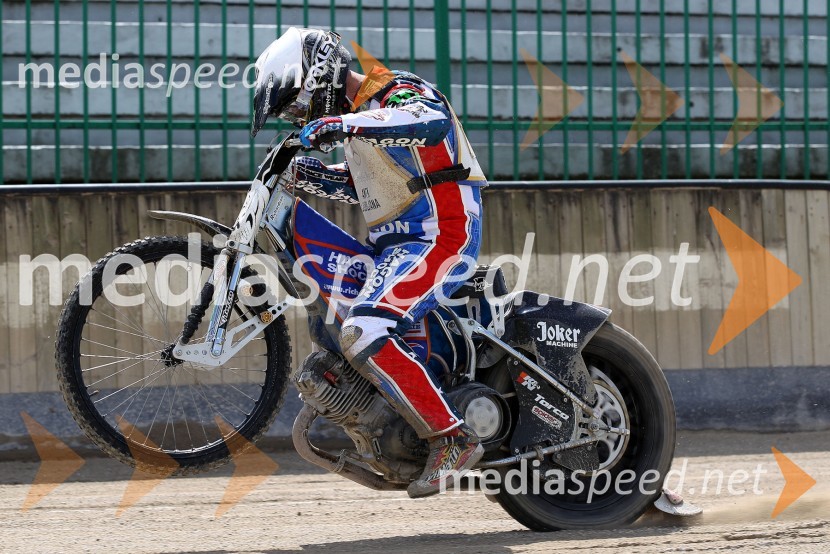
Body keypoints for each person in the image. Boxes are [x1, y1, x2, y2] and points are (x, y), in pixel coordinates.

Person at [250, 27, 487, 498]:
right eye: (291, 114)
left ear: (319, 74)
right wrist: (307, 175)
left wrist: (343, 127)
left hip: (442, 236)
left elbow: (430, 121)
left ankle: (452, 437)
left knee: (365, 330)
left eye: (297, 104)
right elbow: (364, 189)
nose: (298, 117)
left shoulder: (398, 92)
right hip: (395, 248)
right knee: (334, 327)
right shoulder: (362, 122)